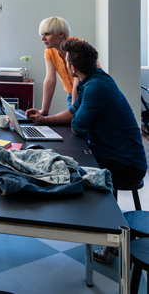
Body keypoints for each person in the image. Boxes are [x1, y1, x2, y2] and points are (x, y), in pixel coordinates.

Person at [27, 38, 147, 264]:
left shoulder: (95, 87)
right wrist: (44, 119)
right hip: (116, 154)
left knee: (74, 167)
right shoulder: (93, 80)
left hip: (126, 164)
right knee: (70, 161)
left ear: (72, 68)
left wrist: (74, 119)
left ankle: (107, 237)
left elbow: (78, 125)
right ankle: (99, 228)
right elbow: (74, 111)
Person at [34, 17, 79, 114]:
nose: (42, 38)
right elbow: (50, 79)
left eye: (47, 34)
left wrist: (74, 112)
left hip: (87, 93)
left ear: (61, 34)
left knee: (76, 123)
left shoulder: (76, 48)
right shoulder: (49, 51)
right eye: (42, 34)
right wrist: (44, 111)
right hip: (71, 93)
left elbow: (77, 81)